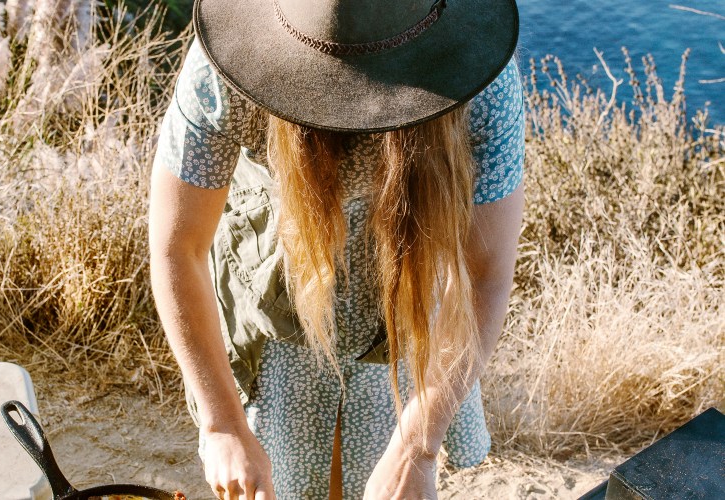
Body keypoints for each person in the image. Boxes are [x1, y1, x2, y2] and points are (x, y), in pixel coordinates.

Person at [148, 0, 524, 498]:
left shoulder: (485, 85)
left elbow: (487, 273)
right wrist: (222, 425)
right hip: (277, 305)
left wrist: (419, 445)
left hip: (405, 302)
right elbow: (178, 247)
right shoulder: (223, 73)